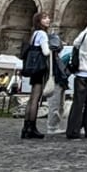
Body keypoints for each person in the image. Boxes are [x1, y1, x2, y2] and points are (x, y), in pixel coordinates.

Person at [22, 11, 51, 139]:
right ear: (39, 21)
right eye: (44, 18)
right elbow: (45, 52)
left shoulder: (34, 34)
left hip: (32, 67)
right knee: (36, 99)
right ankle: (32, 128)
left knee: (31, 98)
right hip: (39, 68)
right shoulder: (43, 34)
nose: (48, 19)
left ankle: (26, 127)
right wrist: (53, 48)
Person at [46, 31, 70, 134]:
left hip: (59, 80)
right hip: (55, 79)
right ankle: (52, 127)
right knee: (54, 104)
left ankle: (55, 125)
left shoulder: (55, 57)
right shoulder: (50, 56)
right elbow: (55, 46)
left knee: (59, 104)